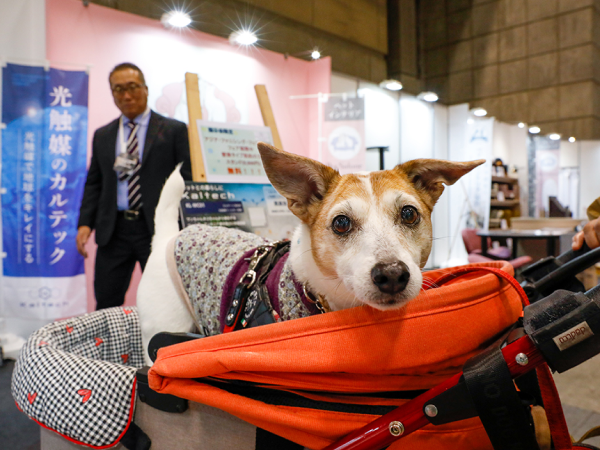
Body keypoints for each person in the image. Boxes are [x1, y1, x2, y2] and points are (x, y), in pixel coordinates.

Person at [76, 62, 192, 309]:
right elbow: (94, 182)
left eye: (132, 87)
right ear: (112, 93)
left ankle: (161, 348)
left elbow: (188, 180)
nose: (126, 95)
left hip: (157, 228)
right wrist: (85, 223)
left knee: (167, 299)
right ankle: (107, 346)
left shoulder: (173, 130)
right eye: (118, 89)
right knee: (107, 299)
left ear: (146, 89)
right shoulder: (103, 135)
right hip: (113, 229)